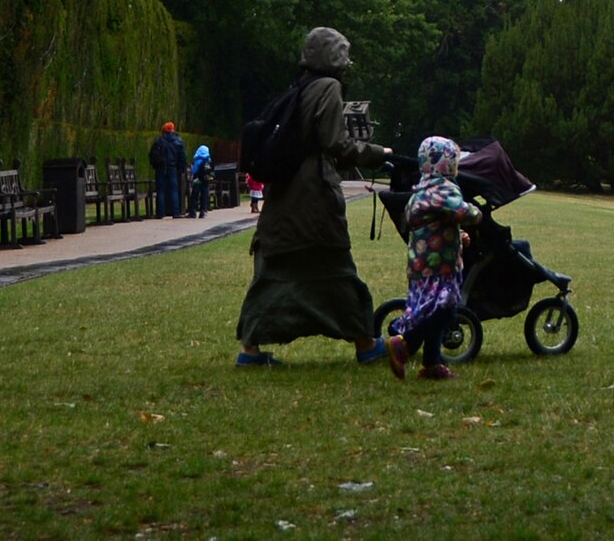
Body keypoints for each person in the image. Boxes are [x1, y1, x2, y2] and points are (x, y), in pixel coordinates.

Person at [235, 26, 393, 367]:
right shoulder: (329, 88)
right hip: (314, 196)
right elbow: (337, 142)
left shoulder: (301, 86)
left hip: (287, 194)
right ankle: (366, 343)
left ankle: (250, 350)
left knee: (274, 266)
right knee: (335, 265)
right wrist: (378, 153)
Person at [385, 135, 484, 383]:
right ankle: (406, 345)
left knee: (429, 308)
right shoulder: (444, 189)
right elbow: (461, 211)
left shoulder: (421, 190)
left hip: (420, 264)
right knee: (444, 308)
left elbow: (432, 222)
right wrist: (476, 213)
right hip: (439, 264)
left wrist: (458, 237)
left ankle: (431, 364)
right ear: (447, 164)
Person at [150, 122, 188, 219]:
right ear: (173, 129)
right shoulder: (178, 141)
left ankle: (161, 213)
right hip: (173, 168)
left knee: (161, 190)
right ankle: (176, 212)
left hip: (161, 168)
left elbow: (152, 155)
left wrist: (155, 165)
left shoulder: (159, 141)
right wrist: (181, 168)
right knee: (174, 190)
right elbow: (183, 156)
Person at [187, 144, 213, 218]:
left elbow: (195, 171)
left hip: (198, 179)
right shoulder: (209, 160)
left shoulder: (198, 160)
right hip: (206, 179)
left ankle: (193, 212)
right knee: (204, 195)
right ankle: (203, 211)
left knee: (195, 195)